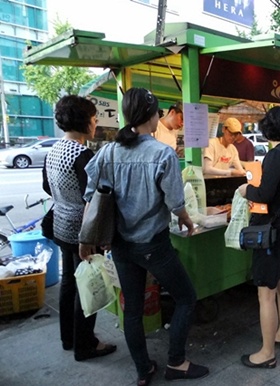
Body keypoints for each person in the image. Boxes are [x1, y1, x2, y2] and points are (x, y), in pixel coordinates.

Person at [80, 88, 209, 385]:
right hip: (153, 244)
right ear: (152, 115)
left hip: (120, 245)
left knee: (133, 309)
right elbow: (176, 204)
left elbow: (90, 197)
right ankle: (176, 362)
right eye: (158, 112)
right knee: (186, 298)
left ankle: (143, 370)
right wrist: (189, 224)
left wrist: (84, 238)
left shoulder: (108, 151)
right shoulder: (161, 153)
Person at [42, 95, 117, 362]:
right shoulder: (83, 154)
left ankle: (69, 338)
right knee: (88, 284)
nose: (95, 123)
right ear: (84, 121)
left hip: (60, 224)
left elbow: (46, 187)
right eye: (94, 118)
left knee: (69, 284)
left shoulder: (54, 149)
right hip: (81, 228)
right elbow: (94, 199)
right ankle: (86, 345)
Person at [237, 106, 280, 369]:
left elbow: (265, 193)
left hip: (272, 233)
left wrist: (247, 190)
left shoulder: (275, 156)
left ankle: (267, 353)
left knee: (266, 294)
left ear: (269, 128)